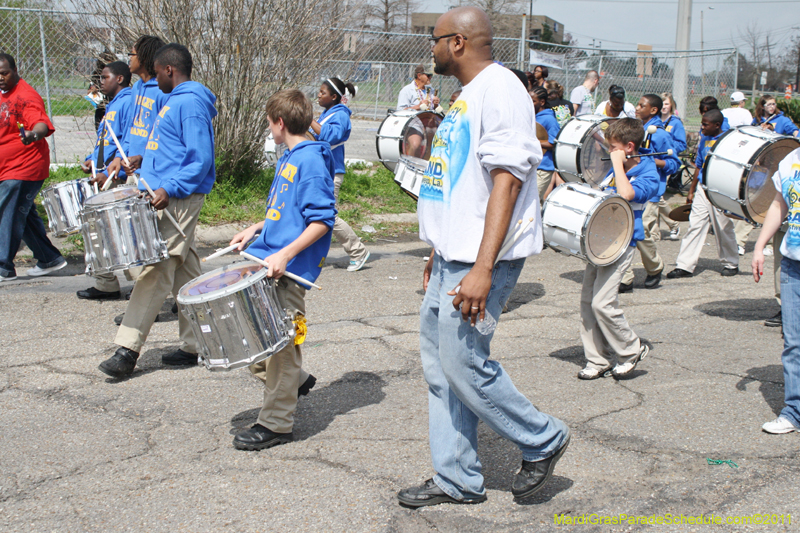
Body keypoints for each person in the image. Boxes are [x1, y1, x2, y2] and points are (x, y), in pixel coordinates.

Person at [397, 7, 569, 508]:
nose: (429, 49)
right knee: (440, 367)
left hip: (479, 261)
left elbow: (507, 181)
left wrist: (482, 267)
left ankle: (542, 438)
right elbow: (458, 182)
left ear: (456, 42)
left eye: (434, 40)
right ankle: (458, 479)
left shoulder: (502, 90)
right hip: (454, 255)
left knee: (464, 363)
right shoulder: (469, 96)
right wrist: (439, 246)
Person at [97, 44, 217, 378]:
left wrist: (169, 187)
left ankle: (127, 348)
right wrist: (142, 161)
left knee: (157, 268)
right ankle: (200, 343)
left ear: (168, 70)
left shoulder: (190, 103)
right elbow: (172, 149)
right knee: (186, 270)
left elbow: (199, 159)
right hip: (163, 194)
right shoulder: (176, 100)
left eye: (158, 71)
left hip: (177, 198)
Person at [228, 89, 336, 450]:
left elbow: (321, 221)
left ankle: (276, 424)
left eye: (268, 123)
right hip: (269, 260)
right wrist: (257, 228)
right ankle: (296, 380)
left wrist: (285, 255)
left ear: (280, 123)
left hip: (288, 272)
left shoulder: (310, 161)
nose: (268, 129)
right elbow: (288, 212)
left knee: (283, 348)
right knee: (258, 343)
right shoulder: (291, 156)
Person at [79, 36, 167, 302]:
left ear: (146, 57)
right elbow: (129, 133)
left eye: (132, 54)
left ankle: (150, 296)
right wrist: (119, 158)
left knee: (142, 240)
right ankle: (152, 293)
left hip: (150, 173)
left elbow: (160, 134)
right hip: (131, 171)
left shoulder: (160, 91)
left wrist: (136, 159)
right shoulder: (139, 89)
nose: (129, 58)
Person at [578, 118, 658, 380]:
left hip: (623, 243)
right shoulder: (617, 166)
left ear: (629, 147)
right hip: (600, 240)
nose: (609, 152)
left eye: (613, 147)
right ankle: (597, 358)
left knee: (603, 303)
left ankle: (631, 349)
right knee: (588, 303)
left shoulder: (647, 172)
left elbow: (626, 194)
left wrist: (616, 163)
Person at [0, 53, 67, 282]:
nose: (0, 77)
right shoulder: (2, 93)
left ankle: (3, 267)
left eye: (4, 73)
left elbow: (40, 123)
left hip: (24, 166)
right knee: (22, 212)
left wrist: (33, 134)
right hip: (6, 166)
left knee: (6, 211)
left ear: (16, 70)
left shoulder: (25, 95)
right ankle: (49, 258)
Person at [753, 147, 800, 434]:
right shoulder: (792, 159)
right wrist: (759, 246)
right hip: (794, 264)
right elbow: (779, 204)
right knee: (793, 343)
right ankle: (794, 411)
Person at [667, 109, 739, 279]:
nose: (702, 127)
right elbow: (699, 164)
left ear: (717, 125)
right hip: (703, 187)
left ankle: (731, 262)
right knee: (695, 225)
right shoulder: (705, 139)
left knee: (722, 227)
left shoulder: (728, 141)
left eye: (706, 124)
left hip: (720, 188)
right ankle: (685, 265)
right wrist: (691, 190)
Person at [310, 77, 370, 272]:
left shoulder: (341, 115)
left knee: (328, 215)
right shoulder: (329, 113)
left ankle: (358, 251)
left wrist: (308, 120)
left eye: (323, 92)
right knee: (311, 213)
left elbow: (330, 136)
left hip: (331, 172)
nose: (318, 95)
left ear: (334, 96)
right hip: (321, 171)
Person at [619, 94, 678, 292]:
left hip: (648, 192)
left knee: (641, 232)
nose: (636, 108)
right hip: (631, 188)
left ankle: (655, 267)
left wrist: (651, 161)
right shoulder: (637, 130)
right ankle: (625, 278)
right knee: (625, 231)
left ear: (653, 110)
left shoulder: (659, 134)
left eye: (641, 105)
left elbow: (673, 163)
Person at [80, 62, 132, 182]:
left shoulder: (128, 102)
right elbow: (108, 141)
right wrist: (93, 159)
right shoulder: (113, 104)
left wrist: (109, 173)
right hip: (104, 172)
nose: (101, 82)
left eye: (105, 77)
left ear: (119, 79)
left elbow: (128, 142)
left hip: (115, 176)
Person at [656, 92, 684, 241]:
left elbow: (682, 144)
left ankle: (674, 224)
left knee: (656, 195)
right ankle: (655, 230)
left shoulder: (676, 122)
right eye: (662, 104)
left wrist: (668, 147)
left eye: (666, 103)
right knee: (654, 195)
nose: (664, 107)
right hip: (654, 159)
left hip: (666, 160)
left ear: (671, 105)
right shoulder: (656, 121)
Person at [531, 86, 559, 203]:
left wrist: (533, 141)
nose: (530, 103)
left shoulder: (549, 119)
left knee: (533, 199)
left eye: (533, 101)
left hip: (544, 167)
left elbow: (554, 143)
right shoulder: (533, 116)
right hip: (533, 165)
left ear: (542, 102)